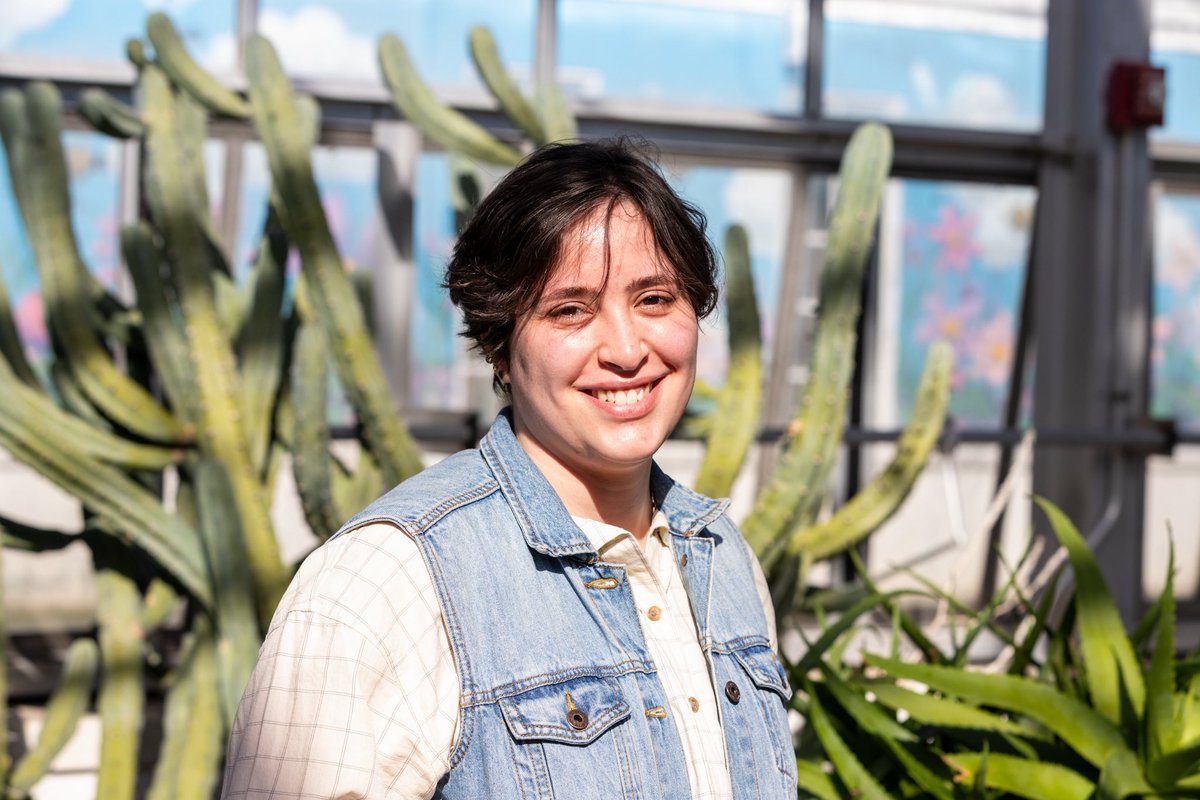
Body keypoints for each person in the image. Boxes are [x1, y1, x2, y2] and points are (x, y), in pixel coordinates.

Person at [222, 139, 795, 799]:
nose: (628, 350)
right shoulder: (391, 579)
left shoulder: (724, 559)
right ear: (500, 344)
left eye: (655, 299)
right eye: (570, 310)